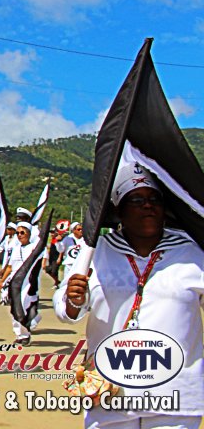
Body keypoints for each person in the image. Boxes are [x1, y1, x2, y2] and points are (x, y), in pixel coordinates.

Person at [56, 162, 204, 428]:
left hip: (176, 394)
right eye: (136, 199)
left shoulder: (192, 253)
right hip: (111, 394)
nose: (148, 205)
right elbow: (66, 309)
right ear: (118, 210)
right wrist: (73, 299)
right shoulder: (95, 251)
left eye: (154, 199)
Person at [0, 222, 42, 345]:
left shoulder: (33, 248)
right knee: (14, 309)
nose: (19, 235)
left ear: (28, 233)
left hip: (27, 283)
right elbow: (10, 267)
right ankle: (20, 334)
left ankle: (26, 333)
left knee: (23, 307)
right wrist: (2, 281)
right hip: (14, 283)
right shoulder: (16, 249)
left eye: (22, 232)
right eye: (17, 233)